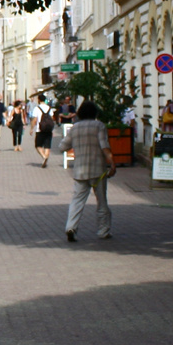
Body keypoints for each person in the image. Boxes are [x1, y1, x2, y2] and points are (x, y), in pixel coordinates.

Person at [64, 100, 115, 241]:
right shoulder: (99, 126)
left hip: (80, 170)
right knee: (102, 201)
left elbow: (63, 146)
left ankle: (71, 227)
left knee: (77, 201)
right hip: (98, 170)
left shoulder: (75, 128)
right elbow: (104, 146)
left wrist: (76, 145)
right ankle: (103, 231)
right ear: (95, 113)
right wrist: (112, 163)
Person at [33, 94, 56, 167]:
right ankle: (45, 159)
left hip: (40, 129)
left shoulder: (37, 108)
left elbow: (35, 119)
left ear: (39, 100)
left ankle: (44, 156)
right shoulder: (49, 108)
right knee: (47, 146)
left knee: (38, 145)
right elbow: (52, 119)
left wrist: (31, 128)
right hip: (48, 129)